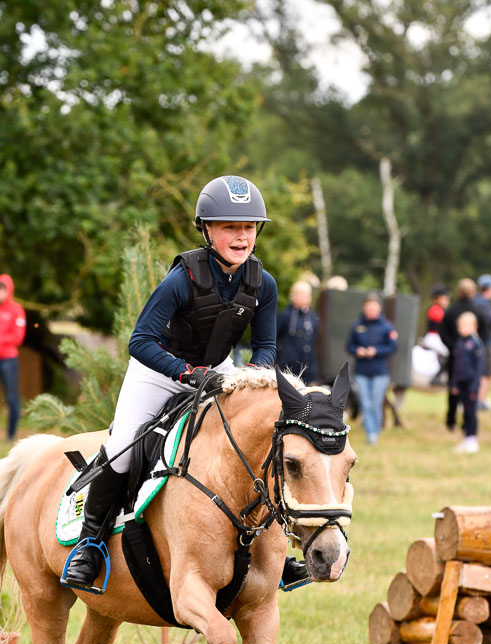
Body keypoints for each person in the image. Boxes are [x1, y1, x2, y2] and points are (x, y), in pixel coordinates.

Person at [61, 175, 307, 593]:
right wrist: (187, 374)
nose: (241, 236)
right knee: (122, 450)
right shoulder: (182, 279)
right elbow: (140, 341)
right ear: (207, 229)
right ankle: (90, 546)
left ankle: (273, 556)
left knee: (249, 449)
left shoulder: (263, 284)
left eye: (248, 228)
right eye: (230, 226)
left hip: (218, 371)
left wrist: (250, 380)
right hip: (159, 372)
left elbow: (265, 347)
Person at [346, 293, 398, 445]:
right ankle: (370, 433)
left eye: (374, 307)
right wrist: (358, 351)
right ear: (364, 308)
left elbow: (393, 347)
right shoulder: (357, 326)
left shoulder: (386, 326)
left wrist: (376, 351)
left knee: (375, 403)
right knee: (365, 403)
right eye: (368, 307)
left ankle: (375, 431)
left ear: (379, 308)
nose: (371, 310)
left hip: (380, 372)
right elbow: (349, 346)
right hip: (361, 371)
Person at [439, 278, 489, 431]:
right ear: (473, 292)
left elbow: (443, 333)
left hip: (456, 356)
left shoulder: (451, 310)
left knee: (454, 388)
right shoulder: (479, 311)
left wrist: (453, 348)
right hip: (470, 358)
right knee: (470, 389)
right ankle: (467, 422)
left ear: (458, 292)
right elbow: (485, 335)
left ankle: (451, 420)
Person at [450, 312, 484, 453]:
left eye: (466, 325)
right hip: (461, 383)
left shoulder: (476, 344)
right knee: (464, 412)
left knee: (471, 412)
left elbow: (478, 368)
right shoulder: (459, 342)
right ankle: (466, 438)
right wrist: (454, 384)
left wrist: (474, 386)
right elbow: (456, 366)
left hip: (471, 384)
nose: (462, 328)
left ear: (474, 327)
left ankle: (472, 439)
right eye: (460, 325)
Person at [276, 280, 319, 384]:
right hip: (288, 366)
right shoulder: (285, 315)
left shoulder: (313, 316)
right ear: (293, 295)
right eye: (302, 294)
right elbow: (275, 336)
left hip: (308, 367)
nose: (306, 297)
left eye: (308, 294)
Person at [0, 274, 26, 440]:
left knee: (11, 397)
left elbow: (18, 337)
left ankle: (11, 434)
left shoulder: (16, 310)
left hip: (8, 360)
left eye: (2, 290)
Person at [473, 274, 491, 411]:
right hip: (486, 343)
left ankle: (480, 400)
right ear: (489, 288)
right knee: (486, 373)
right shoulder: (482, 304)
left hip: (482, 342)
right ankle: (480, 401)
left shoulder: (478, 302)